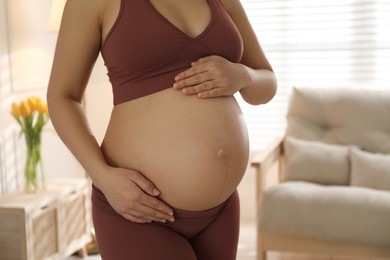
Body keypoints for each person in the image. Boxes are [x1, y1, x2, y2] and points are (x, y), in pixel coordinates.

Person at [47, 0, 277, 259]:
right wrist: (101, 175)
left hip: (220, 211)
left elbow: (266, 83)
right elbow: (62, 97)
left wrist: (243, 75)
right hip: (140, 210)